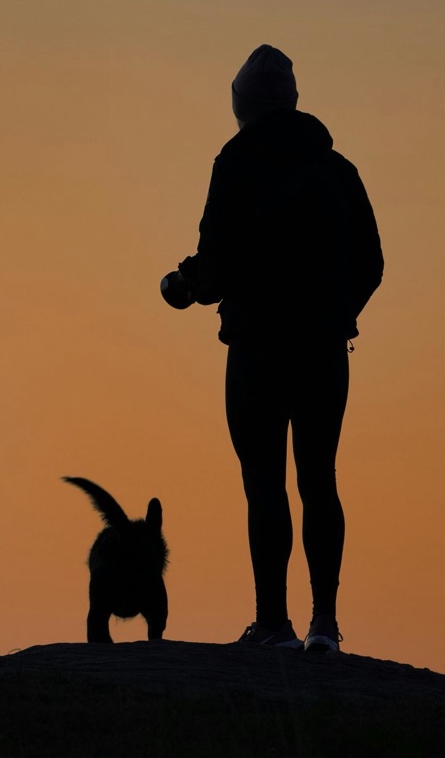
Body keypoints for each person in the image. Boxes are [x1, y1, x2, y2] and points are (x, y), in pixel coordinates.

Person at [161, 45, 383, 652]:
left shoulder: (234, 164)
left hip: (256, 353)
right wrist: (339, 315)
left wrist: (183, 286)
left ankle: (273, 624)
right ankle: (325, 626)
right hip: (323, 354)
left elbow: (214, 268)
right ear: (291, 100)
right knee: (319, 479)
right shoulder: (338, 171)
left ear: (241, 106)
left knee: (264, 481)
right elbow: (372, 263)